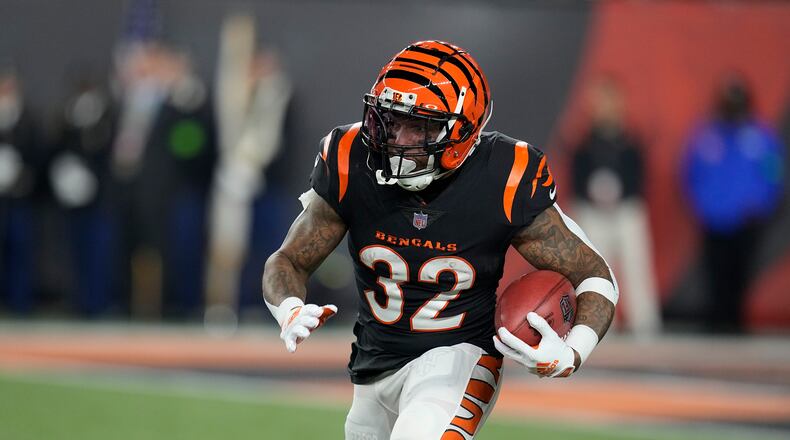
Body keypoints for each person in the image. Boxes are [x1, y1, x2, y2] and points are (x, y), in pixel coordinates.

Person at [262, 41, 618, 439]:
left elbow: (594, 275)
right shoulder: (350, 160)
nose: (399, 138)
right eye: (392, 119)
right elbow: (288, 260)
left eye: (422, 125)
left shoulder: (504, 177)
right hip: (372, 363)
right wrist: (289, 307)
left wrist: (573, 352)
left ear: (464, 130)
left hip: (458, 358)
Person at [683, 74, 784, 333]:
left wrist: (760, 205)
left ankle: (736, 321)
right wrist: (703, 204)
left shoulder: (760, 136)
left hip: (747, 219)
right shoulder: (707, 135)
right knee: (715, 271)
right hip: (714, 217)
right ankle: (716, 320)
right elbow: (690, 172)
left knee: (741, 272)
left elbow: (773, 174)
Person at [571, 77, 661, 338]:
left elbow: (640, 177)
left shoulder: (631, 141)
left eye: (608, 101)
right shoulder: (584, 142)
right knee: (596, 271)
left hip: (626, 211)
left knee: (636, 267)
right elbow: (577, 178)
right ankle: (600, 325)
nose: (603, 107)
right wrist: (592, 195)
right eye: (598, 102)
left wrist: (621, 194)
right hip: (593, 213)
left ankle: (645, 325)